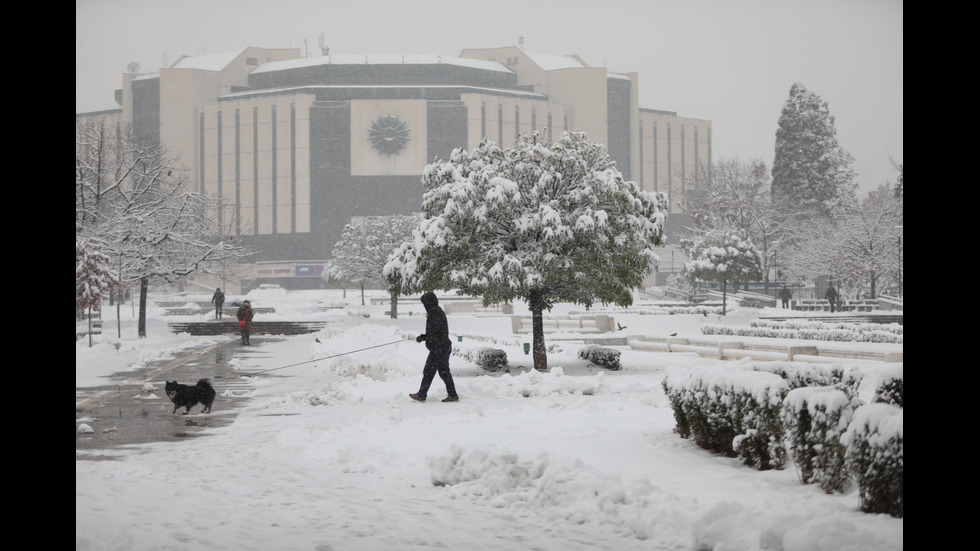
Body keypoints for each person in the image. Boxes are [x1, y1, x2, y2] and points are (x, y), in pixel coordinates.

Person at [409, 292, 459, 403]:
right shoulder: (436, 311)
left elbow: (434, 333)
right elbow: (434, 332)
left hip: (439, 348)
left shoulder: (434, 312)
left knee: (428, 371)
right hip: (443, 346)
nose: (424, 306)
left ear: (428, 302)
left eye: (424, 303)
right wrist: (424, 337)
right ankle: (453, 395)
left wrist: (424, 337)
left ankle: (422, 395)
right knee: (444, 372)